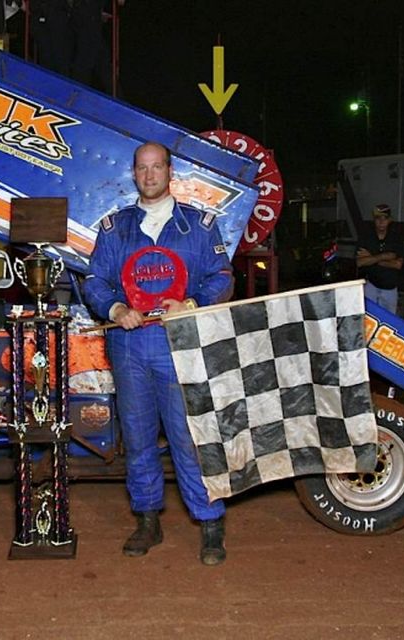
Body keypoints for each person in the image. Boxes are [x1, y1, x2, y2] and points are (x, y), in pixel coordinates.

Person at [84, 142, 234, 566]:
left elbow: (223, 276)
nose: (149, 175)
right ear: (133, 173)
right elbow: (94, 281)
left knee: (190, 438)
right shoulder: (114, 229)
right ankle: (147, 519)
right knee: (137, 437)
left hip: (180, 345)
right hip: (130, 347)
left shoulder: (200, 227)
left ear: (170, 171)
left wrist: (192, 304)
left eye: (157, 167)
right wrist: (115, 309)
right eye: (142, 168)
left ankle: (210, 522)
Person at [356, 204, 404, 314]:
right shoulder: (366, 238)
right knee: (368, 319)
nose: (381, 222)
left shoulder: (396, 239)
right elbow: (359, 262)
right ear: (374, 220)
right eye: (378, 218)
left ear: (390, 220)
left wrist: (371, 258)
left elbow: (397, 264)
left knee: (389, 323)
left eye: (385, 218)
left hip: (390, 289)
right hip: (371, 286)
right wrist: (384, 256)